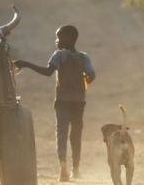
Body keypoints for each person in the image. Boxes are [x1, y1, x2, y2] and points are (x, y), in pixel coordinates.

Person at [14, 25, 95, 182]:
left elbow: (47, 72)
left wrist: (25, 64)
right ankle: (76, 169)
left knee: (62, 133)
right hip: (79, 101)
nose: (56, 41)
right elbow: (92, 75)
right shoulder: (84, 57)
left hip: (62, 101)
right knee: (76, 135)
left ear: (69, 38)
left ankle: (63, 168)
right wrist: (82, 83)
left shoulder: (59, 55)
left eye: (59, 37)